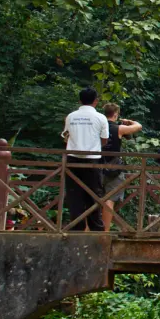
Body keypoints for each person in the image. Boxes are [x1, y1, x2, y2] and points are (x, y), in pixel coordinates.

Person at [62, 87, 109, 231]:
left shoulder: (71, 116)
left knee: (74, 194)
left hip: (72, 159)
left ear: (79, 100)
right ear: (96, 101)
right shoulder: (101, 118)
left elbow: (65, 135)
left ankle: (76, 227)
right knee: (94, 194)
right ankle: (96, 228)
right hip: (92, 160)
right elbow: (105, 140)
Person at [101, 102, 143, 233]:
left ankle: (89, 230)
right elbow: (138, 126)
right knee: (110, 199)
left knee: (93, 198)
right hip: (114, 167)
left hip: (96, 165)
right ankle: (105, 230)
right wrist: (128, 121)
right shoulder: (118, 128)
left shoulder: (98, 127)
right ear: (115, 114)